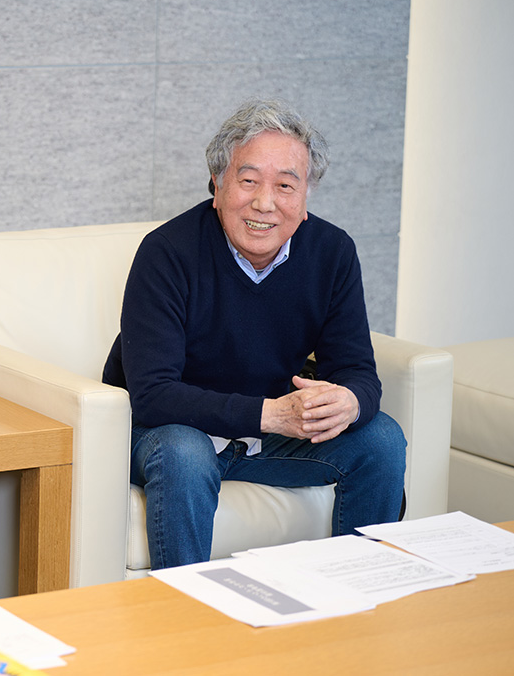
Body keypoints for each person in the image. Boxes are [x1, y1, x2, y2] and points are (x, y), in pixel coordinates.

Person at [102, 98, 406, 570]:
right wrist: (272, 415)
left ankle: (360, 591)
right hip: (165, 432)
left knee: (381, 438)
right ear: (217, 184)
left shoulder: (332, 253)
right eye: (248, 181)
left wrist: (350, 401)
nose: (265, 203)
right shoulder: (166, 252)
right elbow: (153, 395)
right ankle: (185, 608)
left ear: (305, 197)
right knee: (185, 451)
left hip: (265, 439)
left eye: (286, 185)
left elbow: (358, 372)